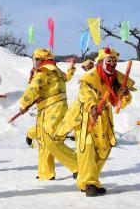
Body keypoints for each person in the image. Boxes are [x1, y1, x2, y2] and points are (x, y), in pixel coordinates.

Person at [57, 48, 135, 196]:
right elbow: (88, 95)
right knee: (87, 146)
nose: (112, 64)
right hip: (85, 115)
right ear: (100, 62)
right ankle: (89, 183)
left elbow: (119, 103)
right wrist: (93, 107)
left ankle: (90, 180)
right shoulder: (90, 77)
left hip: (104, 117)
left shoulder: (116, 79)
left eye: (114, 61)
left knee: (104, 149)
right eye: (109, 61)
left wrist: (124, 95)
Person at [18, 49, 78, 181]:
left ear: (40, 60)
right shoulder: (55, 69)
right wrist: (71, 67)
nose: (34, 62)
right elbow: (66, 77)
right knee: (43, 140)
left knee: (50, 139)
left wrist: (23, 104)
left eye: (35, 59)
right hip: (47, 108)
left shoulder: (44, 70)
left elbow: (33, 88)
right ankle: (46, 173)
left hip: (53, 107)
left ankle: (78, 164)